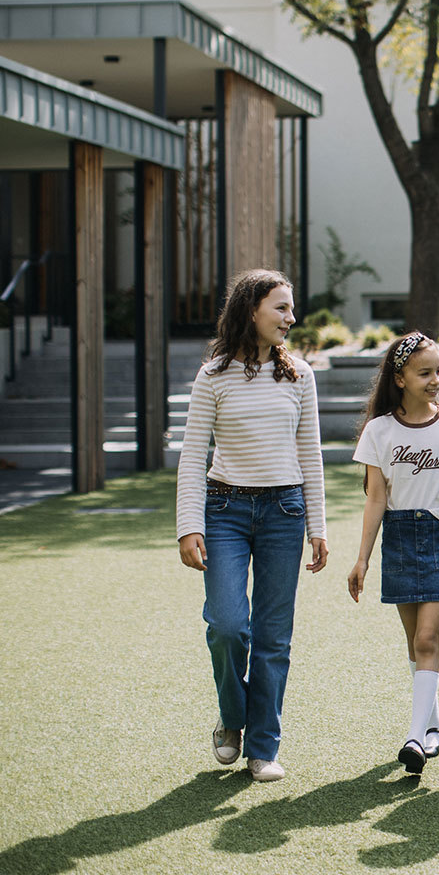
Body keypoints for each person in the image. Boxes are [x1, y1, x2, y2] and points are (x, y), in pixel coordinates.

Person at [176, 269, 329, 783]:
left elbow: (310, 454)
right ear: (251, 311)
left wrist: (318, 527)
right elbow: (194, 454)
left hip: (285, 513)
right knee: (226, 626)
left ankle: (262, 747)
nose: (291, 318)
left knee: (273, 638)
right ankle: (233, 716)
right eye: (281, 308)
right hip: (224, 513)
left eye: (290, 309)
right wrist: (187, 525)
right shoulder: (213, 375)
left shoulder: (299, 376)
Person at [347, 332, 439, 775]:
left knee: (428, 639)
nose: (436, 380)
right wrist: (362, 558)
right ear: (401, 378)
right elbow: (375, 498)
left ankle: (414, 737)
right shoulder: (379, 430)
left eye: (438, 371)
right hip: (399, 538)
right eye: (425, 373)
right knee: (415, 644)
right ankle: (433, 724)